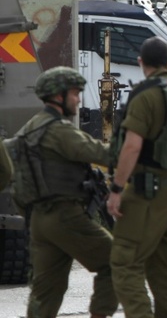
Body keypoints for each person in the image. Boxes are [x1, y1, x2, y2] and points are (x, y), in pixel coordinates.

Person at [107, 36, 167, 318]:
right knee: (164, 267)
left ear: (140, 63)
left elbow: (132, 146)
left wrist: (116, 188)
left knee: (125, 262)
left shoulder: (145, 95)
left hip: (146, 193)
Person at [14, 66, 118, 318]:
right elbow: (103, 154)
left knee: (46, 290)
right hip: (66, 216)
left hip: (38, 220)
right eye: (74, 93)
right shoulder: (59, 130)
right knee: (118, 262)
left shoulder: (28, 129)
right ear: (58, 96)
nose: (79, 99)